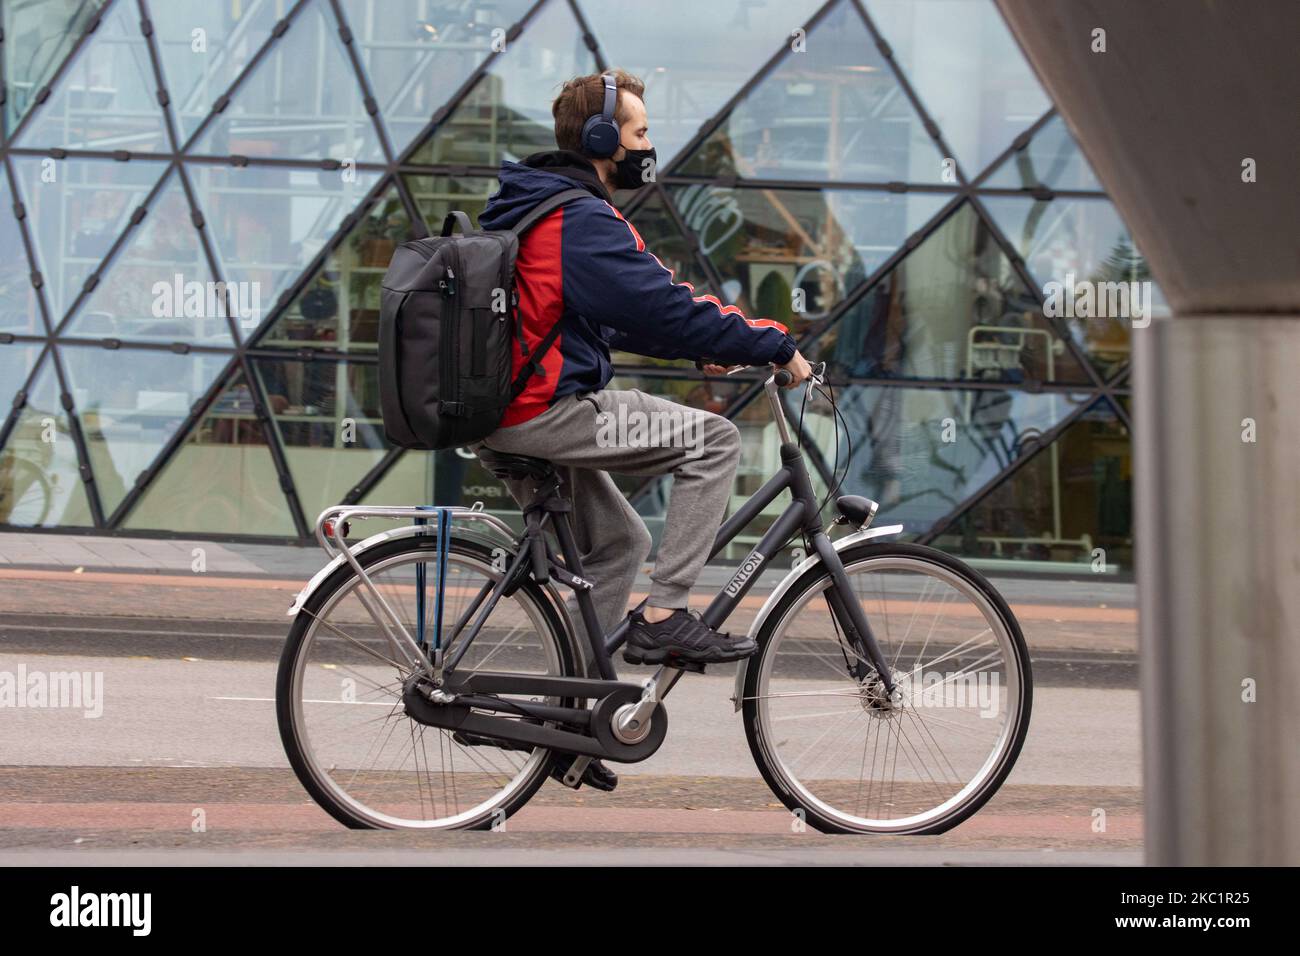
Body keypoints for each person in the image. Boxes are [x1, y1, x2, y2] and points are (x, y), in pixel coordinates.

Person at [473, 69, 811, 671]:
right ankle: (665, 617)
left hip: (507, 411)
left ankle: (571, 719)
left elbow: (616, 318)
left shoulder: (543, 205)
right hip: (542, 412)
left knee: (620, 543)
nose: (649, 148)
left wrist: (704, 348)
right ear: (603, 139)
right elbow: (664, 306)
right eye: (641, 131)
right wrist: (773, 344)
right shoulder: (577, 218)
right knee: (712, 441)